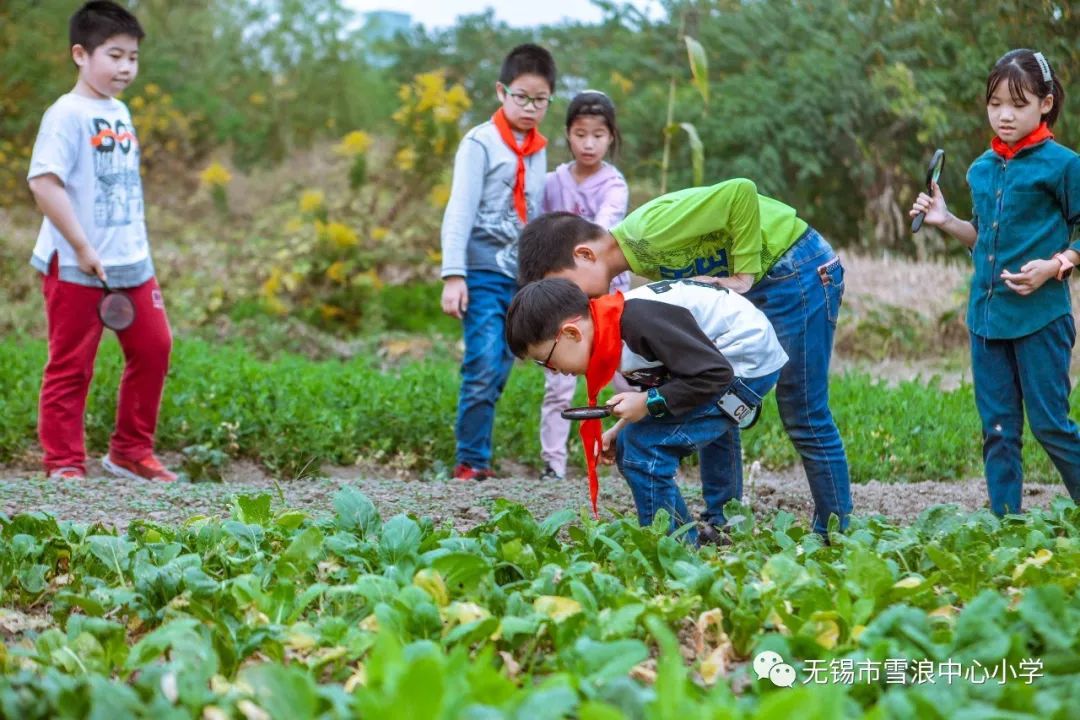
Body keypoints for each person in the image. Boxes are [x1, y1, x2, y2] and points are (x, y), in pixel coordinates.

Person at [518, 181, 852, 536]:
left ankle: (835, 533)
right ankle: (722, 520)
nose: (571, 298)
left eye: (567, 286)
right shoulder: (638, 274)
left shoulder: (647, 231)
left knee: (803, 411)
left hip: (792, 266)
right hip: (761, 287)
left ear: (584, 255)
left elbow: (739, 191)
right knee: (706, 391)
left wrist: (743, 275)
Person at [909, 49, 1080, 515]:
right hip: (986, 320)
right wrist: (945, 220)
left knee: (1050, 426)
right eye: (995, 103)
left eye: (1018, 104)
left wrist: (1055, 265)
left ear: (1045, 104)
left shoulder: (1065, 165)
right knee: (999, 429)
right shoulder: (980, 169)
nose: (1004, 115)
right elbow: (982, 237)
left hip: (1041, 318)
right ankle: (1005, 526)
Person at [506, 278, 787, 544]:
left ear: (571, 332)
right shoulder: (612, 324)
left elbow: (713, 375)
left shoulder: (638, 322)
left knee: (644, 449)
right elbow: (675, 373)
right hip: (718, 365)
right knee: (631, 442)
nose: (555, 371)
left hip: (745, 362)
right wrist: (626, 423)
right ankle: (695, 530)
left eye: (547, 361)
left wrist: (648, 403)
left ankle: (673, 548)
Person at [27, 1, 175, 482]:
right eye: (114, 55)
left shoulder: (121, 111)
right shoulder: (64, 115)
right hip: (74, 262)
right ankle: (64, 464)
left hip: (131, 261)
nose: (126, 67)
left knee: (154, 349)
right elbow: (43, 183)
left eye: (132, 57)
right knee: (71, 366)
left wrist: (138, 251)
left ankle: (130, 452)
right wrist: (84, 249)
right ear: (80, 54)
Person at [439, 43, 557, 481]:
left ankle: (478, 453)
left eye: (540, 100)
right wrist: (454, 275)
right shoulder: (480, 143)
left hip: (519, 275)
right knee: (484, 361)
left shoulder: (538, 148)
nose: (529, 107)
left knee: (504, 361)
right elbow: (460, 209)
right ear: (501, 91)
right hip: (482, 270)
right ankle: (470, 461)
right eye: (521, 96)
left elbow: (536, 208)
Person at [538, 90, 632, 481]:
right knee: (558, 378)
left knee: (625, 376)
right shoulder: (552, 182)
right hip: (564, 297)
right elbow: (539, 230)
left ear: (611, 137)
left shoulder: (615, 185)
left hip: (609, 295)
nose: (589, 143)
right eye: (580, 134)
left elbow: (601, 229)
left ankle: (629, 456)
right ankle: (552, 464)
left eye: (598, 134)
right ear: (567, 135)